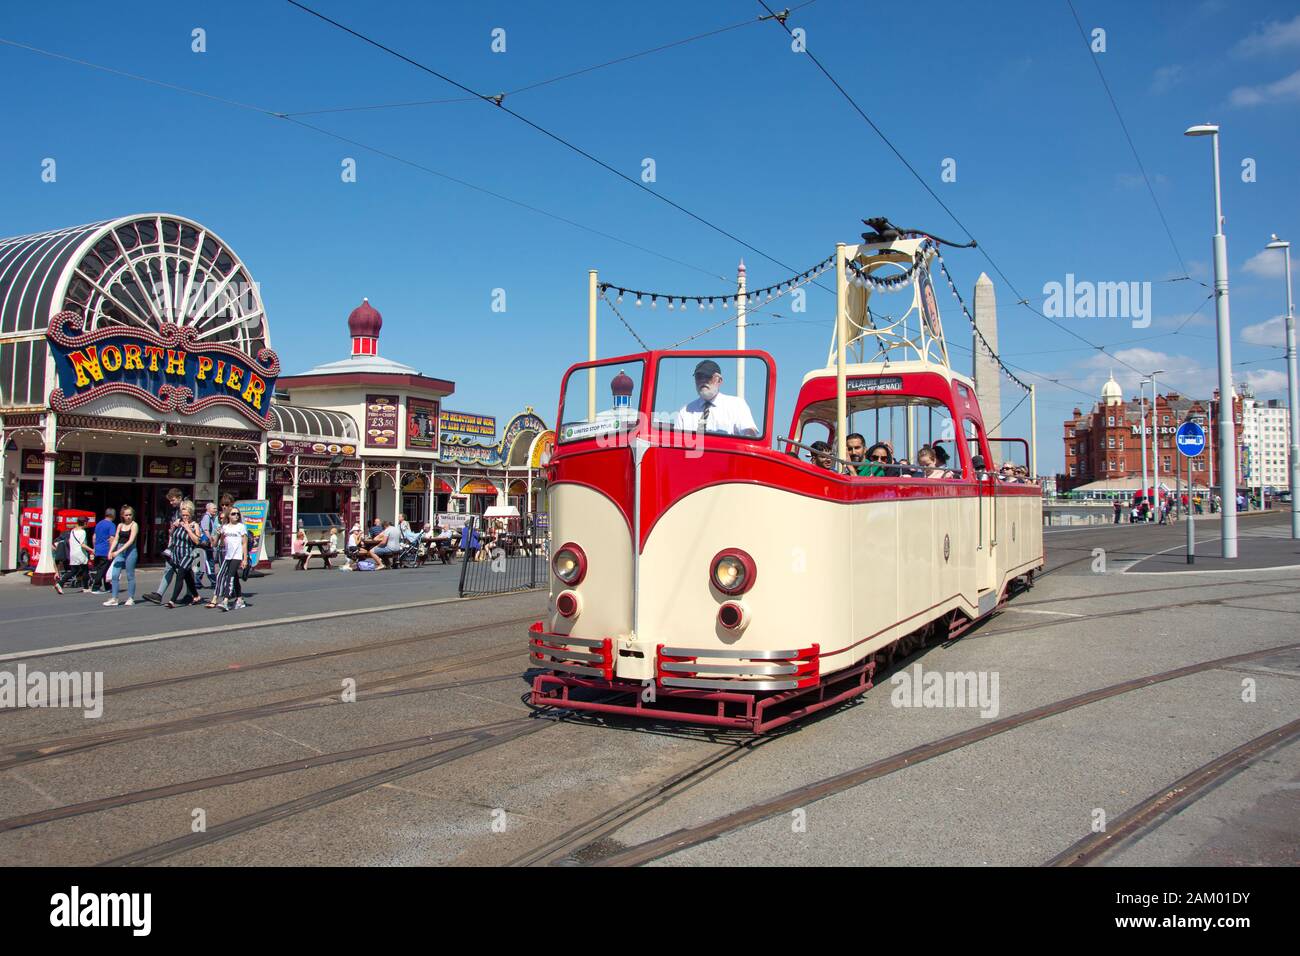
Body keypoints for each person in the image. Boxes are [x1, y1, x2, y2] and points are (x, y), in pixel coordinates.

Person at [672, 359, 759, 437]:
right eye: (699, 377)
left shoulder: (736, 405)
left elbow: (750, 434)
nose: (703, 381)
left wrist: (748, 434)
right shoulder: (685, 411)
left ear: (719, 380)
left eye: (708, 377)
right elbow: (676, 443)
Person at [141, 488, 184, 605]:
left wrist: (178, 524)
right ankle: (159, 594)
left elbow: (190, 523)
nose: (171, 503)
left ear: (180, 498)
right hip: (175, 544)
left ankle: (192, 594)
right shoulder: (175, 511)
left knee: (185, 572)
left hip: (183, 545)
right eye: (170, 501)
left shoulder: (184, 509)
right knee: (169, 568)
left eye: (173, 500)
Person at [163, 501, 203, 607]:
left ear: (191, 514)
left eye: (187, 515)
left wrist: (188, 529)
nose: (185, 517)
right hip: (177, 553)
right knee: (187, 577)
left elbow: (197, 541)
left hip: (188, 554)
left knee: (180, 574)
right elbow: (172, 535)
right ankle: (196, 595)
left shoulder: (195, 525)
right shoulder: (178, 522)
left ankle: (172, 600)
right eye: (183, 515)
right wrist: (173, 527)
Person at [211, 507, 249, 611]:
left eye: (237, 514)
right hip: (228, 556)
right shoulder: (225, 527)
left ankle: (226, 601)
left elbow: (244, 543)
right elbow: (217, 543)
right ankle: (240, 599)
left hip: (237, 556)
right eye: (233, 514)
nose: (236, 515)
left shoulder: (241, 527)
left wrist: (244, 559)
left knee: (230, 577)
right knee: (230, 577)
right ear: (228, 516)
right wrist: (217, 535)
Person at [103, 505, 139, 607]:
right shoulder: (119, 525)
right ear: (122, 515)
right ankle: (114, 598)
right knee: (114, 575)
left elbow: (131, 540)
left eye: (130, 515)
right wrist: (110, 551)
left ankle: (131, 598)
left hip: (130, 551)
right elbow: (116, 539)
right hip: (120, 550)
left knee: (130, 575)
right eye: (126, 515)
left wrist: (117, 551)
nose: (128, 517)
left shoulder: (134, 525)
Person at [55, 516, 90, 594]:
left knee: (74, 571)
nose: (87, 524)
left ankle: (60, 583)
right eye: (86, 522)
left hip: (73, 553)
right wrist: (92, 550)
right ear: (84, 523)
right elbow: (83, 545)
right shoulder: (83, 532)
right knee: (85, 569)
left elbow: (70, 541)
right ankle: (86, 587)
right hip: (80, 554)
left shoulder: (73, 531)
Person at [88, 507, 116, 593]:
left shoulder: (99, 524)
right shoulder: (111, 525)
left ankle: (108, 587)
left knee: (103, 569)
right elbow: (112, 538)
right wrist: (111, 550)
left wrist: (95, 548)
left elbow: (94, 537)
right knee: (103, 569)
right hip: (106, 550)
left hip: (98, 549)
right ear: (113, 515)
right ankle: (96, 587)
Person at [198, 502, 220, 589]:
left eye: (215, 508)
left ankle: (197, 582)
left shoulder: (211, 517)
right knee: (209, 561)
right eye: (214, 508)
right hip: (205, 543)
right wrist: (211, 540)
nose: (215, 510)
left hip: (205, 543)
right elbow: (206, 530)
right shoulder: (207, 517)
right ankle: (213, 582)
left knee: (203, 562)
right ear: (208, 509)